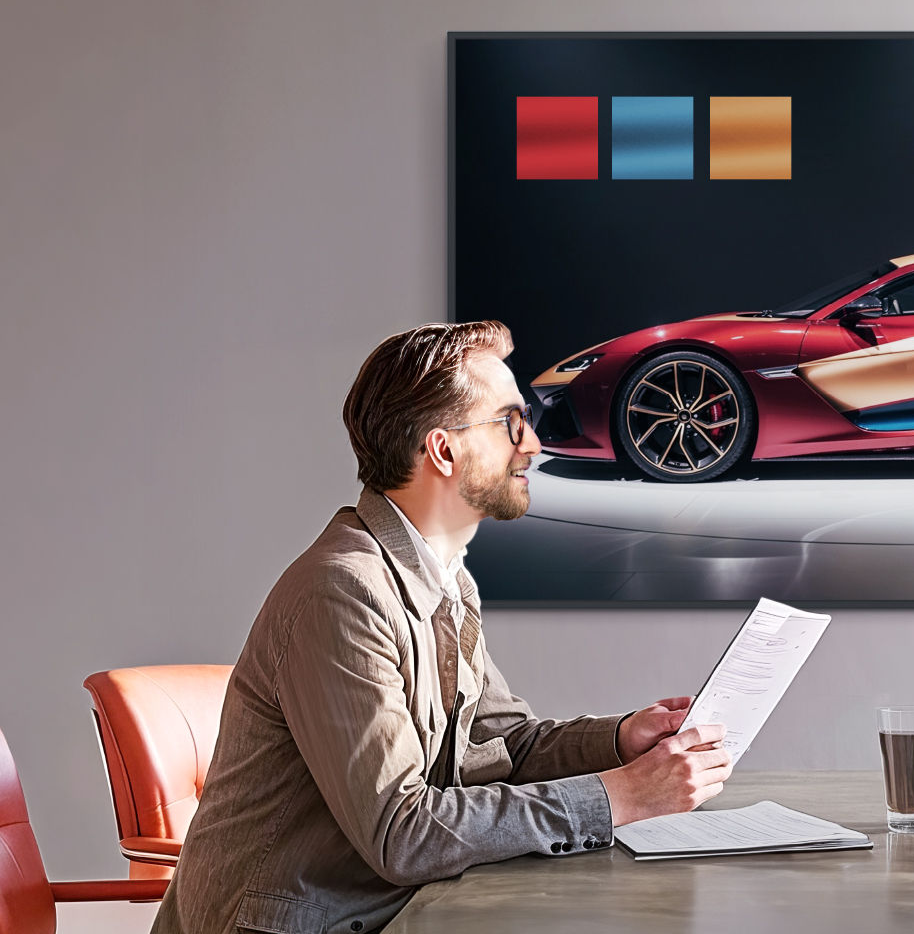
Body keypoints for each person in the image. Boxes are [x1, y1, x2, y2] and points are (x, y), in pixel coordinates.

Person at [154, 322, 733, 934]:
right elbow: (399, 833)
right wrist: (621, 795)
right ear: (443, 450)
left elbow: (506, 747)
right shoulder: (343, 592)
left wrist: (620, 741)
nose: (532, 444)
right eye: (511, 423)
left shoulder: (444, 579)